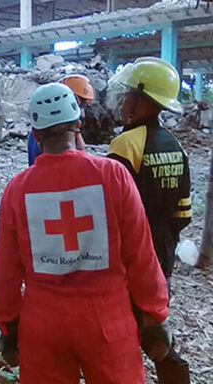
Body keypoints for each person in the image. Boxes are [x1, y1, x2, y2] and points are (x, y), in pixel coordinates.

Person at [0, 82, 169, 383]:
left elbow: (6, 270)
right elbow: (141, 255)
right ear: (78, 124)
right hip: (108, 321)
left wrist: (8, 325)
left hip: (43, 325)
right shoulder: (113, 176)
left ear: (36, 135)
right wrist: (154, 315)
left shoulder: (17, 190)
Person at [107, 57, 191, 384]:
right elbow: (183, 213)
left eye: (128, 94)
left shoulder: (126, 145)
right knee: (154, 319)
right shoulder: (177, 146)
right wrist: (163, 239)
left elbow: (112, 209)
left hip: (130, 253)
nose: (123, 100)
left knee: (128, 325)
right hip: (165, 249)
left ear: (144, 100)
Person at [27, 74, 95, 166]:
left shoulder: (38, 129)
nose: (82, 109)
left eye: (84, 103)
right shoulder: (111, 169)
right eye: (81, 102)